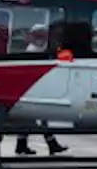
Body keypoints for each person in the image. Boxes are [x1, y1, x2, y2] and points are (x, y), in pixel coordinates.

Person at [14, 23, 68, 156]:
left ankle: (22, 145)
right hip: (33, 87)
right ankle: (51, 144)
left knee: (30, 119)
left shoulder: (38, 47)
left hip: (34, 87)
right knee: (39, 117)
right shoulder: (34, 49)